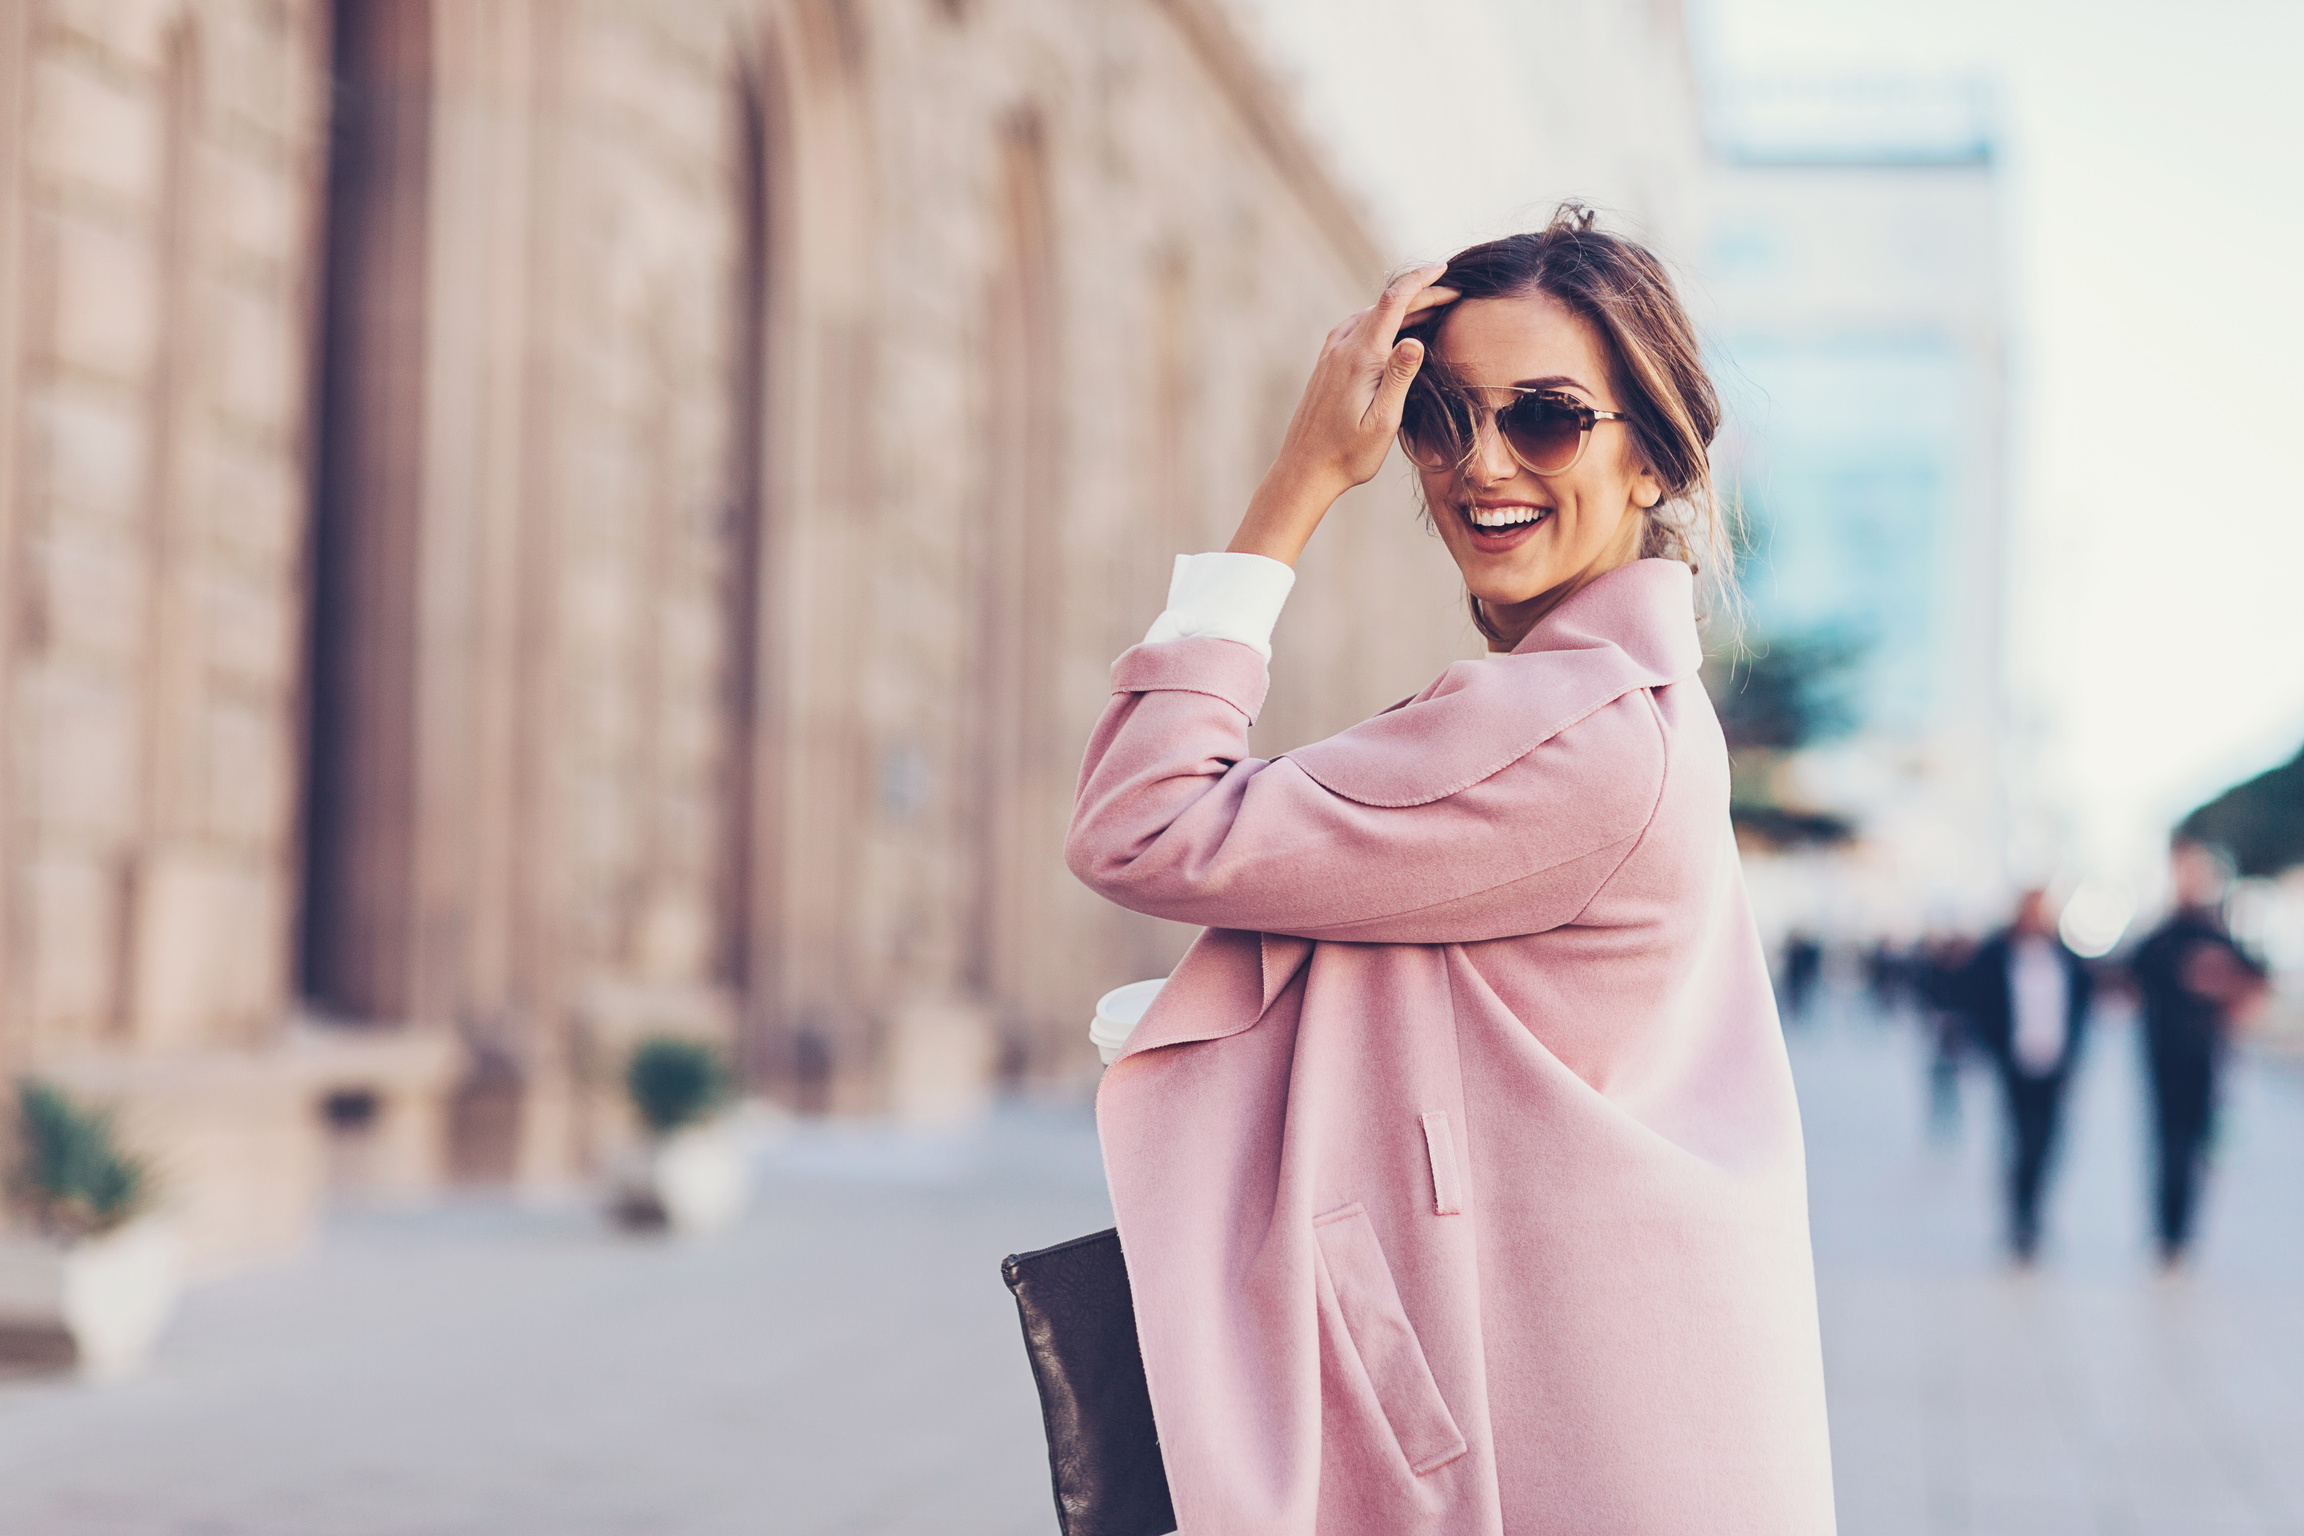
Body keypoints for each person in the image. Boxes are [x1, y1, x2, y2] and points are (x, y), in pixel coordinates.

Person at [1067, 207, 1834, 1534]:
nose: (1480, 462)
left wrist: (1298, 482)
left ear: (1653, 458)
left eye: (1545, 417)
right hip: (1627, 1425)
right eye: (1440, 416)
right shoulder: (1635, 708)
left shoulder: (1575, 736)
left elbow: (1142, 820)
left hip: (1551, 1452)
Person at [2129, 838, 2269, 1272]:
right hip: (2164, 1057)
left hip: (2208, 1058)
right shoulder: (2161, 936)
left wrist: (2228, 989)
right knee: (2168, 1145)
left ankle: (2185, 1232)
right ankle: (2167, 1233)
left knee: (2199, 1146)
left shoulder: (2219, 933)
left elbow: (2255, 978)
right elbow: (2134, 980)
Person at [1950, 890, 2094, 1264]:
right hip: (2015, 1065)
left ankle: (2035, 1214)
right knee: (2020, 1141)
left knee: (2047, 1143)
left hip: (2055, 1065)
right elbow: (1976, 998)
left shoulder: (2065, 958)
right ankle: (2019, 1219)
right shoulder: (1997, 954)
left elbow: (2083, 1005)